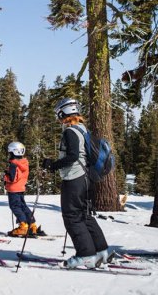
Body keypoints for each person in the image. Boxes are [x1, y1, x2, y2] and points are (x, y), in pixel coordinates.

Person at [41, 98, 110, 269]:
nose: (58, 118)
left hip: (74, 179)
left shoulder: (70, 132)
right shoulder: (83, 130)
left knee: (72, 217)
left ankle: (85, 255)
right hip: (86, 179)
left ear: (64, 113)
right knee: (84, 215)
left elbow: (72, 156)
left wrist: (52, 165)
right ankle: (101, 252)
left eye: (58, 114)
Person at [4, 141, 45, 237]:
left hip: (14, 189)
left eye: (10, 152)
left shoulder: (13, 164)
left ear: (13, 152)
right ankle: (32, 225)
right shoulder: (24, 163)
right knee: (23, 206)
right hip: (21, 188)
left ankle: (23, 226)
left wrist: (5, 175)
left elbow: (12, 178)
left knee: (15, 207)